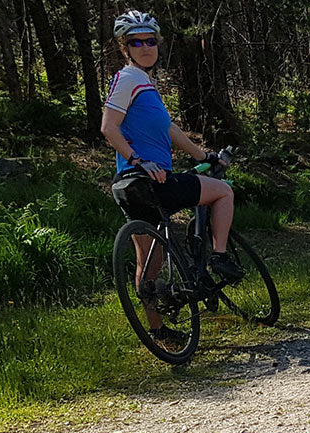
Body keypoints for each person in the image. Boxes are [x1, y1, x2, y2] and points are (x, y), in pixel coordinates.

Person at [99, 7, 243, 333]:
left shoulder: (144, 85)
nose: (146, 47)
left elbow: (170, 131)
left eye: (150, 40)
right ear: (125, 47)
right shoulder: (127, 79)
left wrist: (201, 154)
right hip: (146, 177)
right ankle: (219, 256)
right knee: (223, 191)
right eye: (136, 42)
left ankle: (158, 330)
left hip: (134, 185)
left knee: (150, 261)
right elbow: (109, 127)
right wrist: (139, 160)